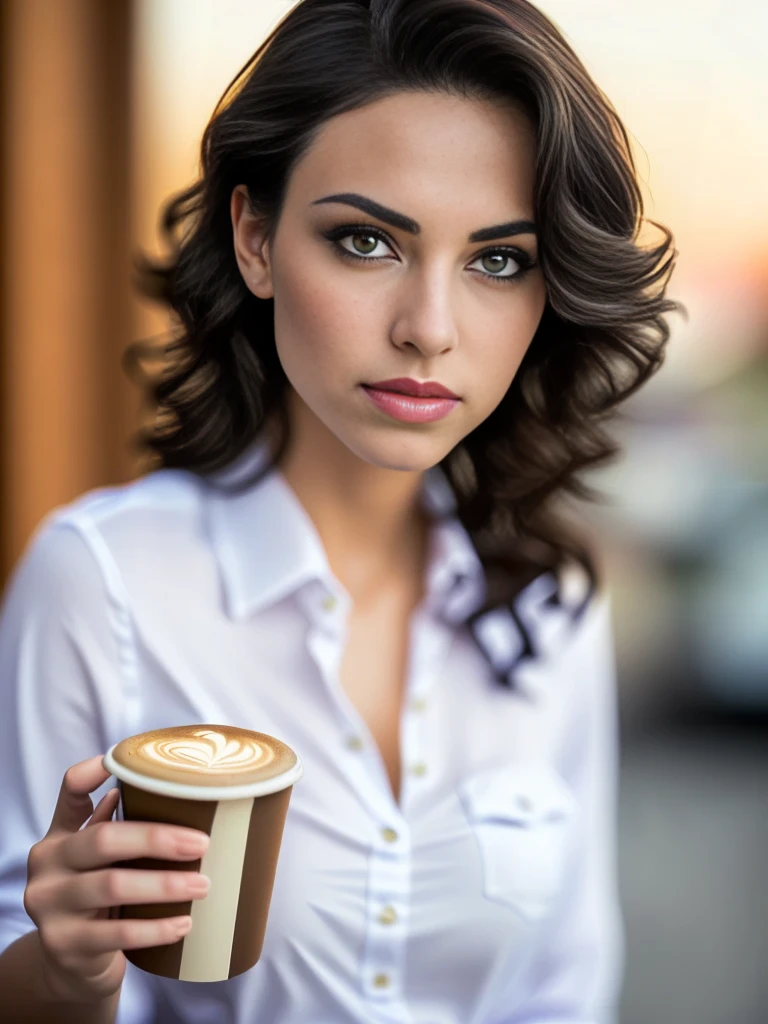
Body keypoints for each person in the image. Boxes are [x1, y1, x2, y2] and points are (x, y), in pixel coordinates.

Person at [0, 1, 683, 1021]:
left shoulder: (551, 610)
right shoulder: (103, 579)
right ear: (257, 237)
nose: (429, 329)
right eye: (367, 241)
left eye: (499, 260)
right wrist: (60, 971)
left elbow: (566, 991)